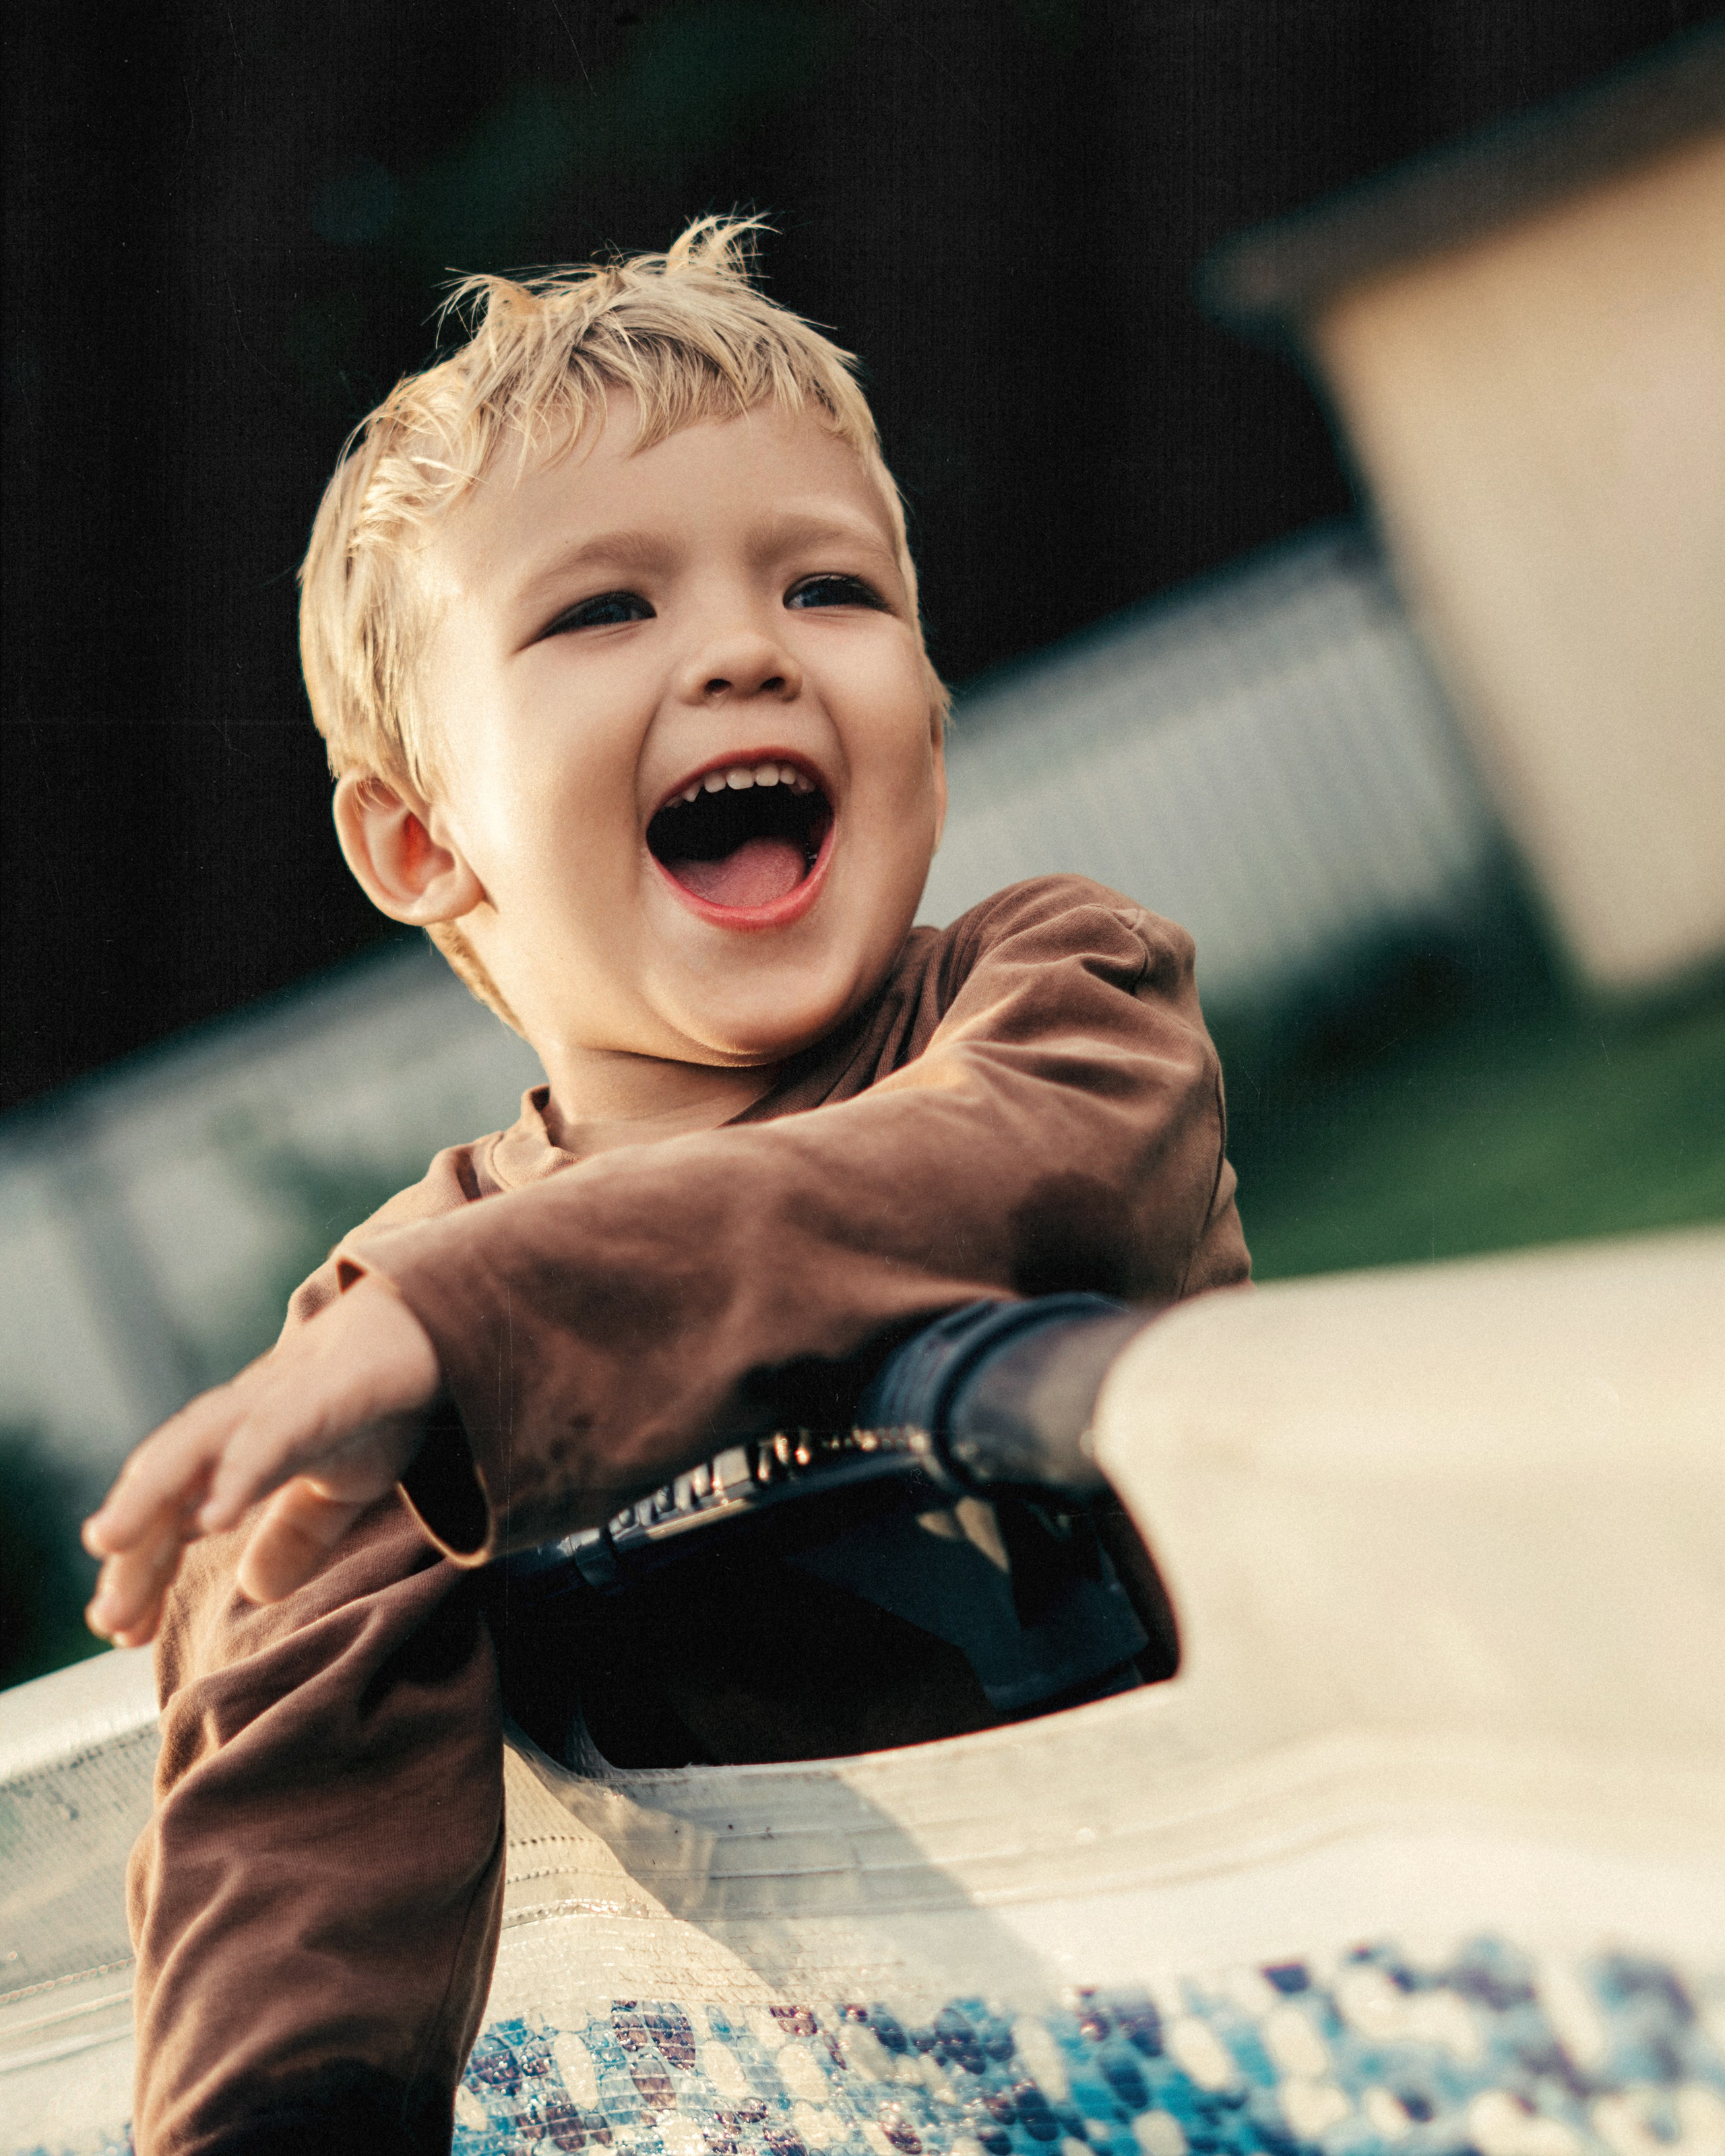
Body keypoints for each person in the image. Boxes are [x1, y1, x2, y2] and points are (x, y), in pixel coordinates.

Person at [81, 218, 1250, 2156]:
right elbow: (294, 1801)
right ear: (420, 837)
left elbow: (1012, 1179)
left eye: (830, 587)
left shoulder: (1058, 1003)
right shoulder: (394, 1319)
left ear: (931, 720)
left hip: (1288, 1995)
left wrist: (464, 1347)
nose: (741, 648)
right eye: (603, 610)